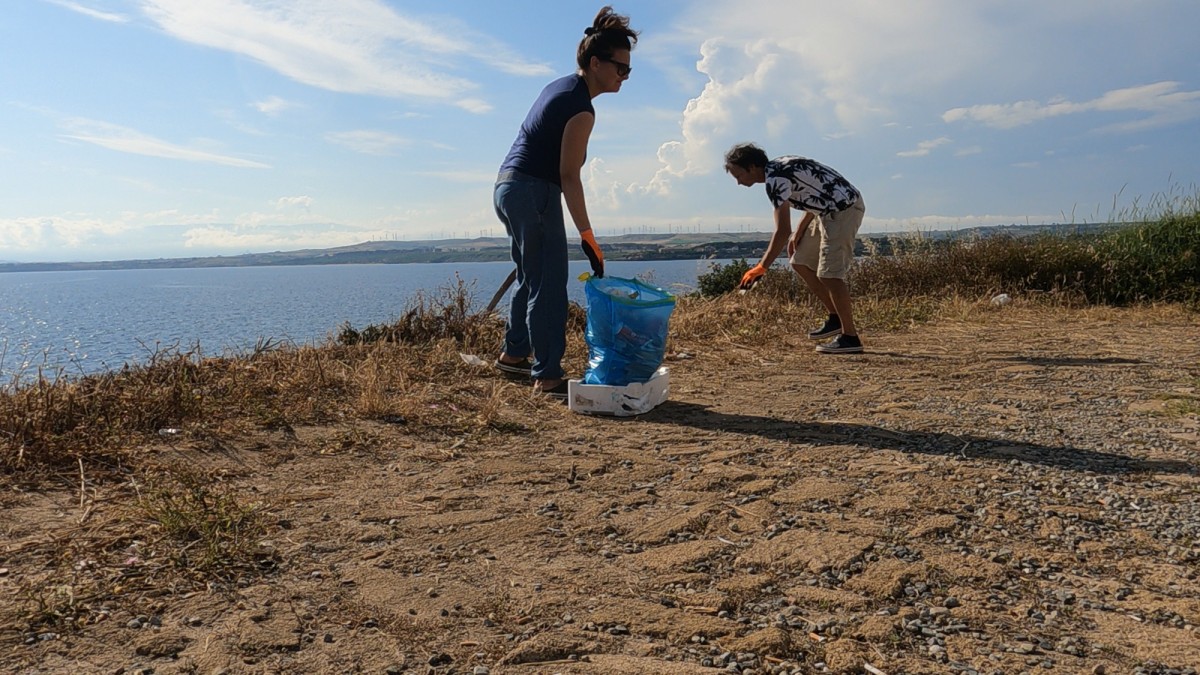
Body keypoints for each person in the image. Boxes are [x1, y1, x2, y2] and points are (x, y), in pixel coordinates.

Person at [492, 6, 638, 398]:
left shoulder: (558, 86)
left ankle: (514, 354)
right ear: (596, 63)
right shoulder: (581, 108)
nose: (625, 76)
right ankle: (548, 373)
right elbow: (569, 175)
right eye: (620, 68)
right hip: (534, 191)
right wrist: (588, 235)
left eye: (628, 69)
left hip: (508, 187)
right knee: (551, 283)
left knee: (531, 275)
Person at [724, 142, 867, 354]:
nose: (738, 182)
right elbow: (815, 190)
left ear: (752, 167)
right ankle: (835, 318)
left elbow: (781, 231)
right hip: (826, 212)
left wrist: (761, 268)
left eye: (738, 176)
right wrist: (800, 230)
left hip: (843, 211)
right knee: (799, 262)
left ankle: (850, 338)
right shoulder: (781, 164)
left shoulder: (775, 181)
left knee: (830, 276)